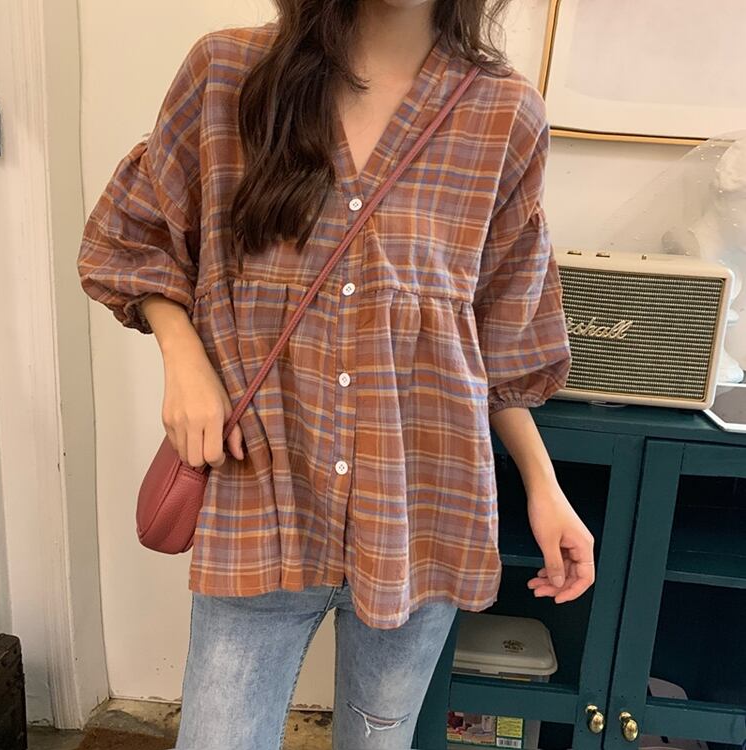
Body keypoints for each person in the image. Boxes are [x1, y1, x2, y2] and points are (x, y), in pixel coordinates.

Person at [76, 1, 595, 748]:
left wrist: (544, 488)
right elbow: (135, 234)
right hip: (260, 493)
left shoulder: (504, 114)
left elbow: (502, 339)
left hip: (419, 512)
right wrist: (181, 357)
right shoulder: (229, 74)